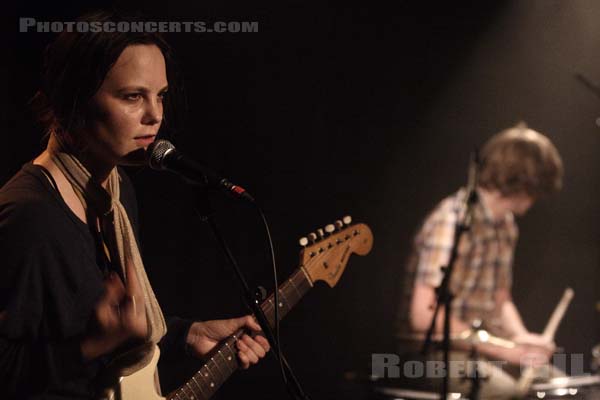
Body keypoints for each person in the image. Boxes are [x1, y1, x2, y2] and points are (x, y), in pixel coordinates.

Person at [0, 10, 269, 399]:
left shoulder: (116, 190)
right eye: (132, 97)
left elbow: (121, 336)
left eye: (159, 96)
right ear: (72, 101)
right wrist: (90, 346)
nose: (155, 116)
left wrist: (188, 334)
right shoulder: (29, 216)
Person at [395, 124, 564, 399]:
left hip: (482, 349)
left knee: (559, 387)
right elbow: (423, 317)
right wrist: (502, 349)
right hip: (433, 354)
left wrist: (521, 339)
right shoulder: (451, 222)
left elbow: (500, 298)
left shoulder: (506, 225)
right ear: (524, 181)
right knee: (505, 393)